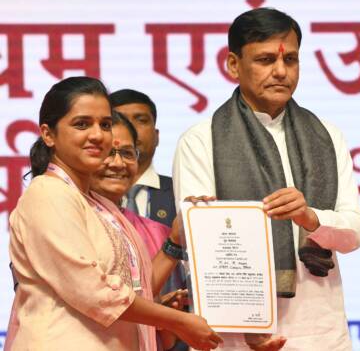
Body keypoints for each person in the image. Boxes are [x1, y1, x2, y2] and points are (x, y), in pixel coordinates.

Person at [173, 8, 360, 351]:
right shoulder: (202, 140)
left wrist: (310, 217)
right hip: (235, 337)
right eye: (265, 60)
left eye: (290, 59)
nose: (280, 71)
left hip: (319, 331)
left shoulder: (326, 136)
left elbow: (353, 233)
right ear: (233, 65)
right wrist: (248, 325)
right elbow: (200, 244)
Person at [6, 76, 221, 351]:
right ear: (48, 135)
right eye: (82, 124)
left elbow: (133, 288)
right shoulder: (47, 193)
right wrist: (178, 320)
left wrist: (175, 240)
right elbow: (93, 293)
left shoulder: (99, 204)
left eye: (105, 124)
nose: (97, 135)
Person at [91, 110, 191, 350]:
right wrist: (164, 316)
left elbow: (164, 339)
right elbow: (97, 301)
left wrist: (162, 317)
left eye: (127, 153)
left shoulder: (155, 231)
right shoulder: (64, 214)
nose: (118, 163)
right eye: (107, 153)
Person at [110, 89, 177, 228]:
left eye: (141, 120)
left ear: (157, 136)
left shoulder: (179, 191)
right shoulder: (87, 193)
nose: (131, 129)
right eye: (121, 120)